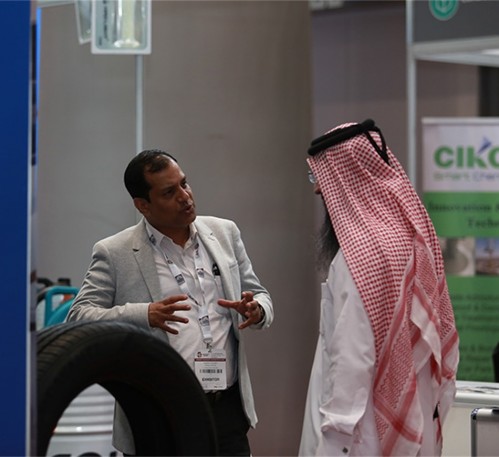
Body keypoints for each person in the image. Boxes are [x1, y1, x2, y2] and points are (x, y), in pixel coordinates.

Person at [66, 149, 273, 456]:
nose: (185, 197)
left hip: (226, 408)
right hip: (158, 412)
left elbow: (260, 294)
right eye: (169, 192)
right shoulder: (115, 252)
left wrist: (256, 310)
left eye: (184, 184)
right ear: (143, 205)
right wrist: (144, 314)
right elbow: (79, 317)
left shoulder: (225, 233)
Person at [299, 120, 459, 456]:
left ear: (345, 176)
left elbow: (352, 355)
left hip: (362, 428)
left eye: (319, 177)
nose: (318, 190)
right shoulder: (411, 239)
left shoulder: (359, 255)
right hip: (414, 411)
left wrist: (336, 435)